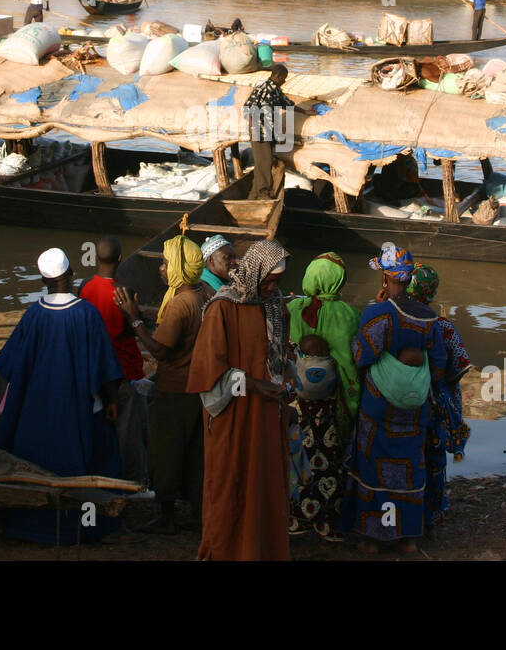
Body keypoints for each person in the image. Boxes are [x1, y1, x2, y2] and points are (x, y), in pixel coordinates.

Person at [0, 248, 124, 544]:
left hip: (37, 407)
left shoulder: (34, 314)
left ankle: (28, 523)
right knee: (89, 454)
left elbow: (9, 366)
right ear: (71, 275)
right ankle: (86, 525)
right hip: (77, 405)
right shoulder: (86, 313)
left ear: (43, 279)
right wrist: (112, 400)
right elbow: (103, 366)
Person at [187, 239, 293, 561]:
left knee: (266, 479)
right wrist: (255, 386)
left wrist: (284, 376)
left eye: (277, 281)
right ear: (256, 272)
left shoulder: (273, 303)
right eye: (270, 279)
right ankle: (227, 550)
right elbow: (209, 373)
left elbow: (278, 352)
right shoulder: (222, 307)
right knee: (230, 480)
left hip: (267, 412)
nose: (274, 286)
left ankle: (263, 548)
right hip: (235, 413)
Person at [340, 242, 447, 554]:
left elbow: (360, 355)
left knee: (374, 463)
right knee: (409, 465)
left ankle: (373, 538)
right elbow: (439, 365)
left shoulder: (378, 314)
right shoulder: (429, 318)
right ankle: (408, 537)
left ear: (386, 278)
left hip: (379, 408)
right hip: (415, 409)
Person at [112, 236, 206, 534]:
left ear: (179, 266)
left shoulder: (180, 304)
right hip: (197, 389)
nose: (161, 269)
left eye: (165, 264)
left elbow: (160, 351)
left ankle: (166, 516)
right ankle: (198, 513)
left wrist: (135, 319)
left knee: (165, 454)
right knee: (195, 454)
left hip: (175, 390)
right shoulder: (201, 293)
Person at [286, 252, 361, 540]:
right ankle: (327, 522)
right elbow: (351, 366)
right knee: (330, 460)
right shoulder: (348, 314)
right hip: (332, 405)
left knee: (296, 456)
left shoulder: (292, 309)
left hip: (297, 401)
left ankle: (296, 518)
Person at [77, 237, 148, 485]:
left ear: (96, 257)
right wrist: (136, 314)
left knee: (101, 427)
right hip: (122, 371)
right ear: (120, 259)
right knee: (128, 434)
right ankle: (133, 483)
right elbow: (132, 331)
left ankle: (98, 473)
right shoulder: (122, 293)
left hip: (94, 371)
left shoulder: (84, 288)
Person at [406, 264, 471, 531]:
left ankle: (406, 513)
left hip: (406, 401)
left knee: (409, 455)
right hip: (436, 404)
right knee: (434, 458)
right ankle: (433, 512)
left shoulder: (399, 320)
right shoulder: (443, 326)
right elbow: (460, 366)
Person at [244, 63, 312, 200]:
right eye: (284, 78)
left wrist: (305, 111)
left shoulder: (275, 90)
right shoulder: (263, 88)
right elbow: (248, 107)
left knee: (262, 164)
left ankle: (254, 194)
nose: (284, 81)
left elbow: (286, 103)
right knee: (265, 163)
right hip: (259, 131)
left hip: (268, 132)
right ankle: (263, 193)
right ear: (277, 76)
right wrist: (253, 129)